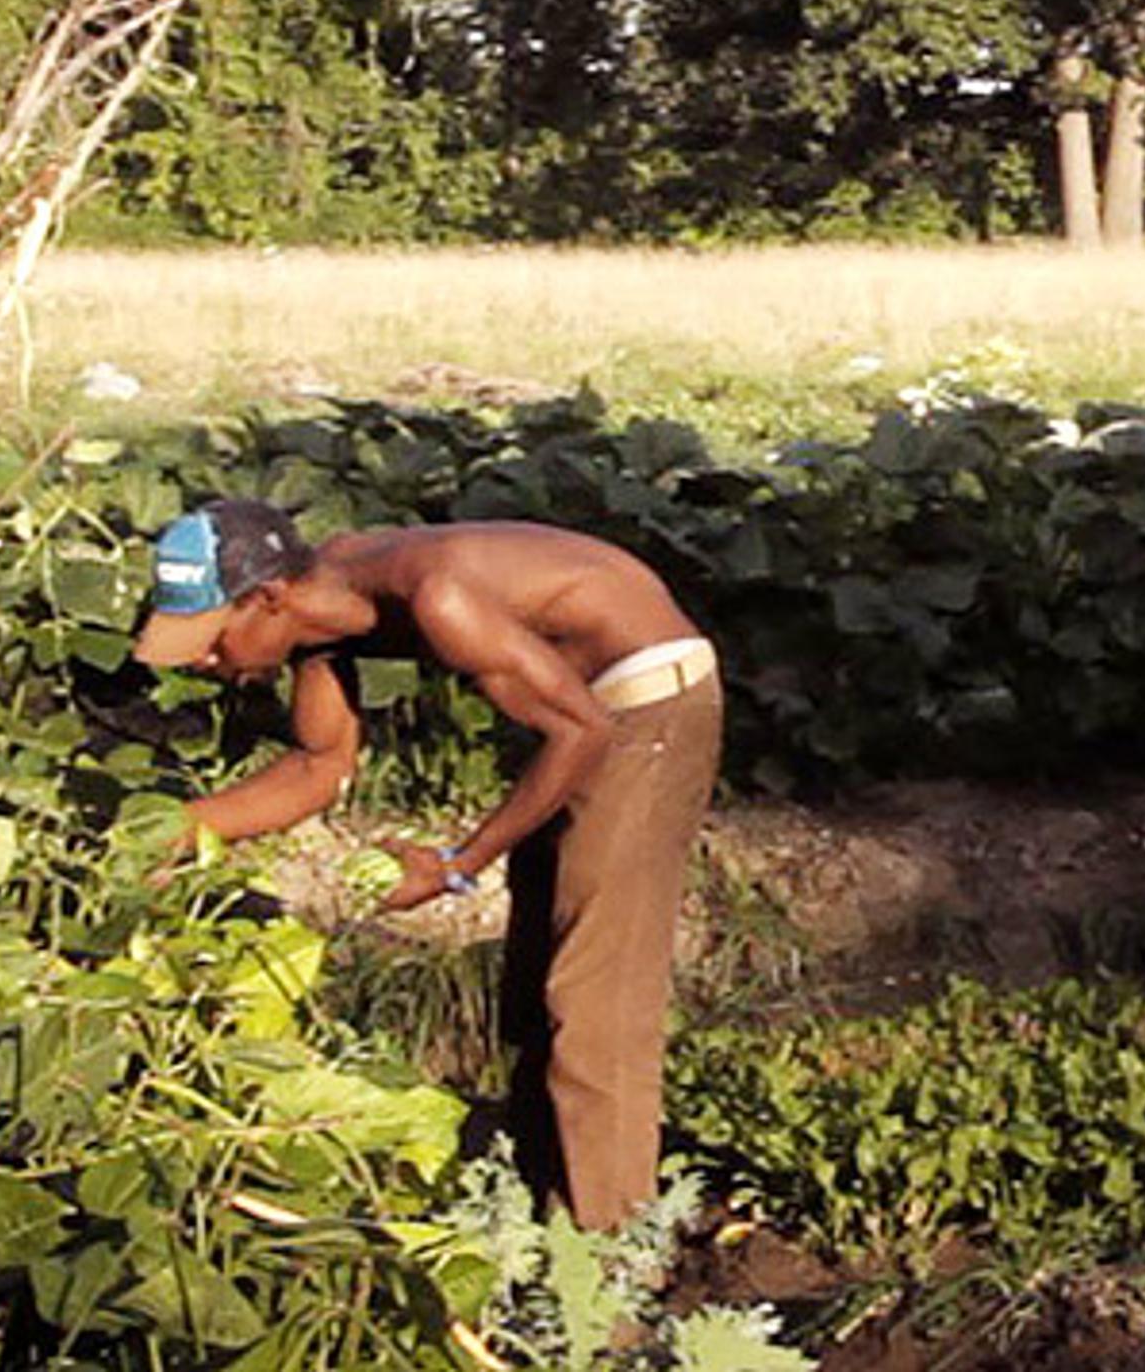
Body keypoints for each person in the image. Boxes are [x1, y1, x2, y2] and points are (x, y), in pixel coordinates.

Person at [130, 496, 724, 1231]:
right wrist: (168, 837)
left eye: (213, 639)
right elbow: (320, 766)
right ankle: (546, 1207)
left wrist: (455, 865)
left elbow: (583, 731)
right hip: (577, 707)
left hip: (645, 703)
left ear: (266, 599)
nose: (203, 659)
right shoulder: (324, 614)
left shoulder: (438, 597)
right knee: (537, 970)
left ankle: (611, 1271)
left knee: (595, 991)